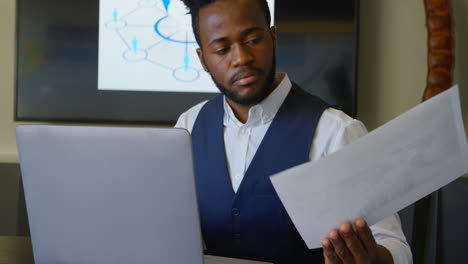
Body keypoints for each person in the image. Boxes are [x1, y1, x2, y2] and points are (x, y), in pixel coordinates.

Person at [175, 0, 412, 263]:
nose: (241, 58)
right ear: (202, 59)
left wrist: (375, 258)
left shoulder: (336, 133)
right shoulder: (187, 127)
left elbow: (395, 246)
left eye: (253, 39)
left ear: (273, 38)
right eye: (221, 49)